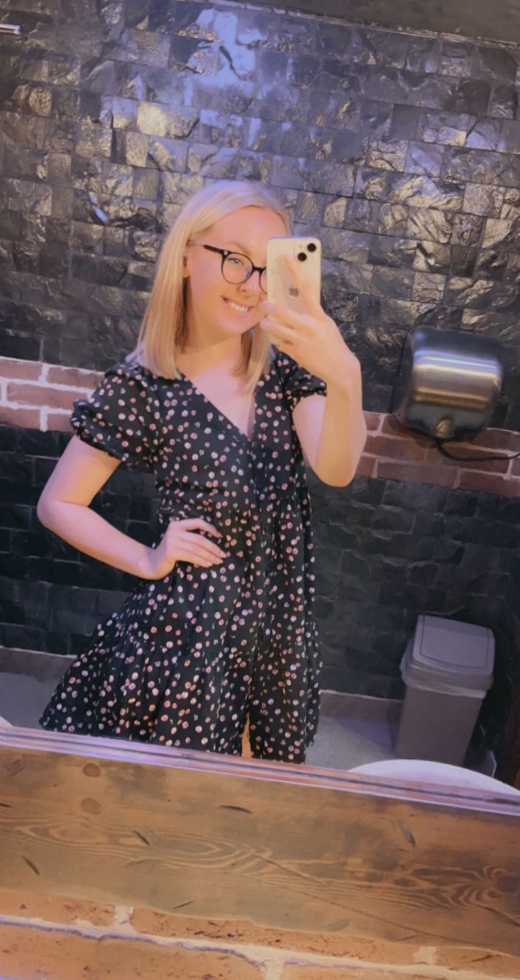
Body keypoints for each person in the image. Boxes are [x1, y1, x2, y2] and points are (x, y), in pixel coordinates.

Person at [38, 179, 366, 763]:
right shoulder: (144, 385)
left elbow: (336, 469)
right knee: (174, 796)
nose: (252, 285)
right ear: (187, 256)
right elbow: (58, 503)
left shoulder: (285, 373)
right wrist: (148, 558)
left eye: (266, 267)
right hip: (187, 640)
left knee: (249, 792)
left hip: (273, 632)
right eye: (235, 259)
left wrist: (346, 376)